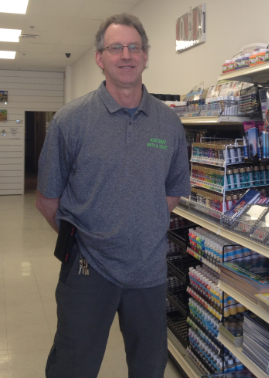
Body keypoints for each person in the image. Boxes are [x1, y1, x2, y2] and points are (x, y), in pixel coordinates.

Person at [36, 12, 191, 378]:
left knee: (149, 366)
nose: (126, 55)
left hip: (149, 270)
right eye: (116, 47)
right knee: (73, 365)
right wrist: (92, 238)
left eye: (134, 47)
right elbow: (48, 201)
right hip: (87, 270)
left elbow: (172, 191)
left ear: (146, 55)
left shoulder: (168, 123)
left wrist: (138, 223)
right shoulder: (70, 121)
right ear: (99, 57)